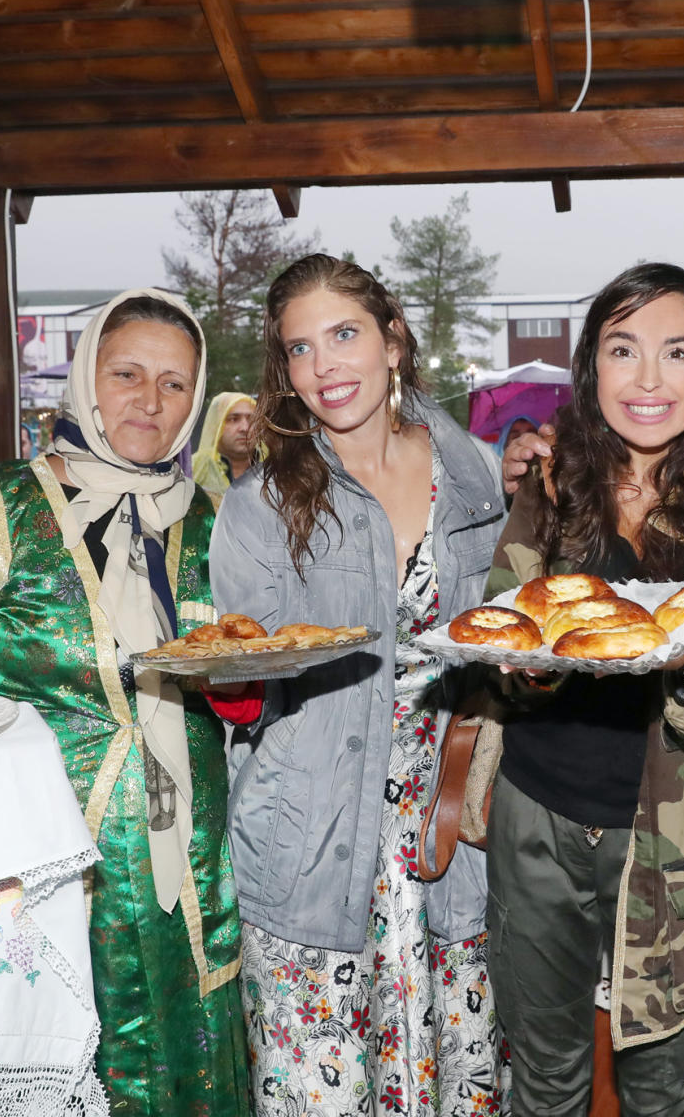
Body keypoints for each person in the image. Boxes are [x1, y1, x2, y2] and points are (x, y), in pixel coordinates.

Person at [0, 289, 248, 1116]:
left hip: (177, 896)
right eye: (126, 374)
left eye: (175, 383)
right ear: (85, 377)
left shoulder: (213, 521)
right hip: (21, 897)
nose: (149, 402)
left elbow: (235, 690)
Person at [489, 263, 684, 1116]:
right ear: (592, 368)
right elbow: (506, 633)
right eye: (624, 350)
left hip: (675, 840)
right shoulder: (553, 487)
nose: (649, 378)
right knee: (545, 1078)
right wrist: (523, 671)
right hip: (538, 821)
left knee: (665, 1087)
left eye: (676, 351)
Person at [210, 254, 509, 1117]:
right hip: (313, 833)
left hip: (450, 832)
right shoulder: (261, 504)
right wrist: (232, 689)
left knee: (463, 1074)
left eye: (343, 335)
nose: (325, 367)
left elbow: (503, 640)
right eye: (300, 350)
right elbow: (245, 675)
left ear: (394, 342)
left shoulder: (476, 477)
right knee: (321, 1089)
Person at [192, 389, 261, 504]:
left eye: (252, 419)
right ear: (216, 425)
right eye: (233, 419)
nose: (245, 428)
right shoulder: (193, 468)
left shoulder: (274, 470)